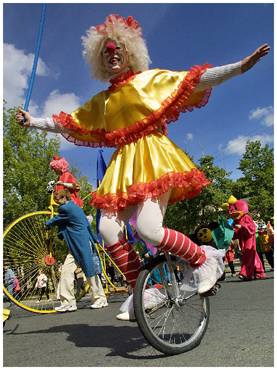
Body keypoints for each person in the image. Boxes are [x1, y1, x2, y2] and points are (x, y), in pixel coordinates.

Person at [16, 14, 270, 320]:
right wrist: (33, 122)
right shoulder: (102, 102)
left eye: (117, 49)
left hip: (153, 157)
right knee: (107, 228)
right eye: (105, 51)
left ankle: (204, 259)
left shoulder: (149, 80)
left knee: (148, 228)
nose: (112, 53)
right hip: (123, 166)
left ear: (130, 52)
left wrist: (240, 67)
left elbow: (194, 79)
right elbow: (68, 122)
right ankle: (144, 289)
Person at [45, 189, 108, 312]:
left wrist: (47, 223)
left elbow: (57, 219)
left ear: (64, 198)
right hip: (76, 245)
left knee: (90, 271)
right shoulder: (74, 207)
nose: (57, 203)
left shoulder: (67, 208)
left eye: (57, 200)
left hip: (82, 243)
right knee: (66, 272)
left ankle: (100, 299)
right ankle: (68, 302)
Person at [228, 198, 265, 280]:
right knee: (253, 255)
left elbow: (252, 228)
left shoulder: (246, 217)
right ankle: (259, 272)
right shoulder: (236, 220)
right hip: (242, 240)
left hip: (249, 239)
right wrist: (232, 232)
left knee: (248, 255)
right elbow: (235, 233)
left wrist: (242, 227)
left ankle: (245, 274)